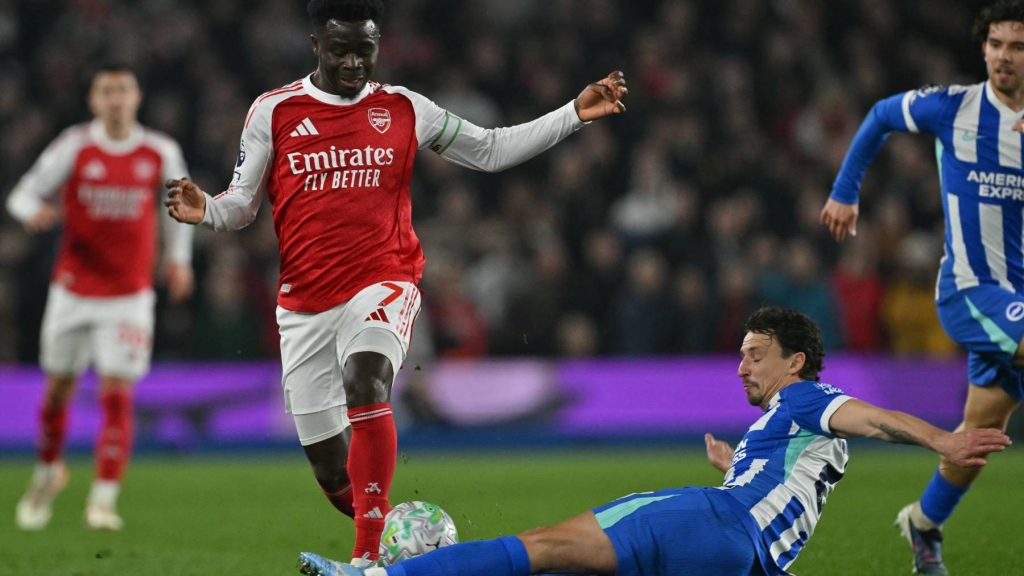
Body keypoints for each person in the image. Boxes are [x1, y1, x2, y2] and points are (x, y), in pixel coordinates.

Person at [163, 0, 627, 566]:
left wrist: (572, 114)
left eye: (366, 49)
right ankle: (415, 549)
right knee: (337, 479)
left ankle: (365, 564)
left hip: (384, 281)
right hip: (305, 307)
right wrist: (205, 209)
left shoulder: (406, 108)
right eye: (341, 51)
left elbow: (491, 149)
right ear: (315, 43)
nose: (355, 63)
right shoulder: (274, 111)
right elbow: (241, 206)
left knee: (367, 382)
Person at [294, 306, 1010, 576]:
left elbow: (870, 417)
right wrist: (743, 463)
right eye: (739, 353)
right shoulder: (790, 429)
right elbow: (797, 474)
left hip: (710, 522)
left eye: (755, 352)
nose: (742, 366)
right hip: (750, 560)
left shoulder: (805, 395)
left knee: (542, 549)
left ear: (794, 361)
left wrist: (941, 440)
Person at [820, 1, 1024, 572]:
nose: (1005, 56)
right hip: (970, 289)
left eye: (1018, 46)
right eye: (997, 45)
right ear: (983, 48)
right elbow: (881, 114)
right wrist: (845, 189)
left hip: (1018, 299)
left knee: (980, 433)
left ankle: (924, 523)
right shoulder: (953, 107)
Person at [6, 62, 195, 531]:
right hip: (71, 290)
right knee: (58, 393)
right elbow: (22, 194)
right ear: (93, 100)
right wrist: (33, 212)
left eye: (123, 89)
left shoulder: (160, 150)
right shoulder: (75, 144)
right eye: (106, 91)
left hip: (129, 295)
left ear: (136, 98)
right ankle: (49, 472)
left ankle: (104, 499)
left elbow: (181, 208)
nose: (115, 98)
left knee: (117, 395)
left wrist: (180, 260)